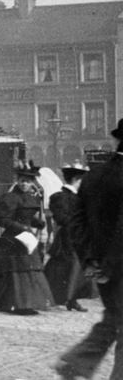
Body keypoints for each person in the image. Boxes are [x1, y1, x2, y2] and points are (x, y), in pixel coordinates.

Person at [55, 119, 123, 380]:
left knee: (114, 318)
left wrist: (91, 261)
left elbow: (77, 221)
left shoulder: (94, 175)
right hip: (118, 265)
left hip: (100, 267)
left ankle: (75, 363)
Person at [0, 160, 52, 315]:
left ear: (32, 183)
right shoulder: (10, 197)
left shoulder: (32, 198)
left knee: (28, 270)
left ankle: (25, 303)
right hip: (12, 238)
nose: (24, 184)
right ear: (17, 181)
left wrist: (37, 223)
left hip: (27, 238)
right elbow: (1, 219)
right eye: (21, 181)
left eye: (27, 181)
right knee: (14, 270)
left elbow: (27, 217)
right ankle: (14, 304)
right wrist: (21, 228)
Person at [44, 162, 94, 312]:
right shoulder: (60, 197)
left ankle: (72, 299)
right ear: (76, 180)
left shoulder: (78, 197)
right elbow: (61, 218)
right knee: (64, 268)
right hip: (67, 239)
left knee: (77, 270)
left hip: (78, 238)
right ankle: (56, 297)